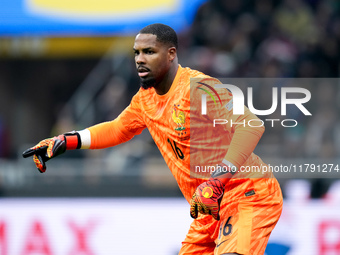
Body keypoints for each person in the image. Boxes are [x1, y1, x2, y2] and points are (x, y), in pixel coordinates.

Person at [23, 23, 283, 255]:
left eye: (149, 52)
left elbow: (251, 125)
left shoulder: (198, 89)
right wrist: (67, 140)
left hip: (246, 193)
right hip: (207, 209)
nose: (139, 59)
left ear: (171, 55)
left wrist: (216, 181)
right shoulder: (145, 99)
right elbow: (118, 129)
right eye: (136, 53)